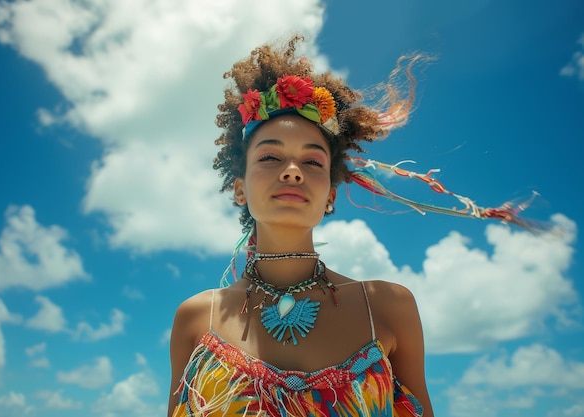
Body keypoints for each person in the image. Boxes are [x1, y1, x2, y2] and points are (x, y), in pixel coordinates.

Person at [167, 36, 532, 417]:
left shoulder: (388, 308)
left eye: (312, 163)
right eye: (271, 157)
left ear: (330, 196)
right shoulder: (196, 319)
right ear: (240, 189)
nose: (292, 172)